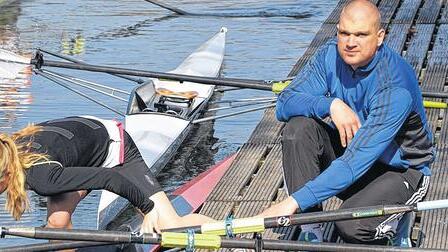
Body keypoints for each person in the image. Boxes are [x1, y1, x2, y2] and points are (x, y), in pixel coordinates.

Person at [257, 0, 434, 245]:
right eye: (344, 33)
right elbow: (284, 103)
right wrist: (330, 105)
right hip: (354, 154)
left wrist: (291, 202)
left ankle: (396, 224)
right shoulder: (330, 55)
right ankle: (311, 227)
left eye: (361, 35)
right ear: (337, 31)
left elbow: (355, 162)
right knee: (298, 128)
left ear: (380, 36)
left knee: (351, 227)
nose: (350, 43)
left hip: (401, 171)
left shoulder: (394, 86)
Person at [0, 115, 214, 233]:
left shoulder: (42, 179)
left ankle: (231, 238)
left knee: (168, 226)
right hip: (78, 148)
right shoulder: (6, 151)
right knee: (57, 224)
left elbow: (108, 178)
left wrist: (147, 210)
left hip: (114, 146)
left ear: (6, 175)